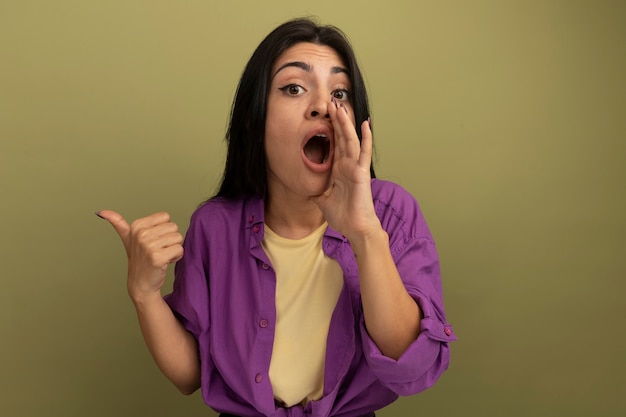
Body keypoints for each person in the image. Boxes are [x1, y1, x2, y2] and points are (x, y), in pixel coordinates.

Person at [97, 18, 456, 417]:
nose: (323, 105)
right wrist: (144, 294)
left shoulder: (390, 213)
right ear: (254, 119)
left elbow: (414, 368)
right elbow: (190, 375)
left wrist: (364, 233)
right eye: (294, 88)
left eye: (340, 92)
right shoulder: (214, 227)